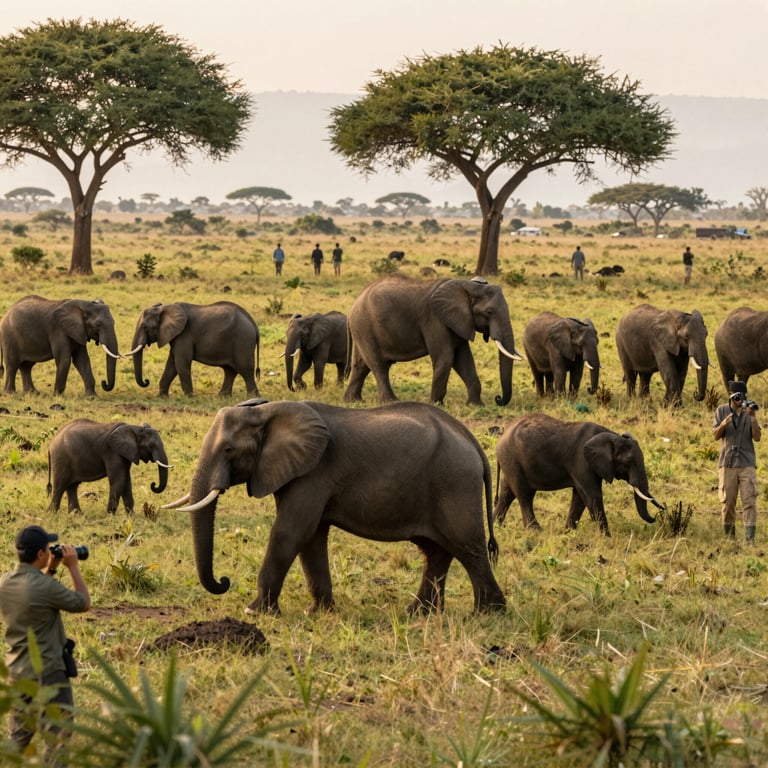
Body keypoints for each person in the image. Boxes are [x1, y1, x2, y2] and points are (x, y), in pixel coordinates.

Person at [0, 526, 91, 764]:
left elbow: (37, 593)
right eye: (47, 550)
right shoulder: (45, 587)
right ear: (40, 554)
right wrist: (73, 567)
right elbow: (82, 603)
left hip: (17, 674)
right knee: (59, 739)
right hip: (48, 673)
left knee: (17, 741)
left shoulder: (5, 583)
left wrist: (51, 568)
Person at [712, 381, 762, 541]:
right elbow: (715, 436)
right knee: (727, 503)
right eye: (737, 397)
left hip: (747, 463)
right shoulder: (721, 410)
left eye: (742, 397)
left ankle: (750, 541)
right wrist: (723, 424)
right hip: (727, 463)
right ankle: (729, 539)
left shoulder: (749, 412)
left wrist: (753, 418)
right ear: (730, 396)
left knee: (749, 501)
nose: (740, 401)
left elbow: (757, 437)